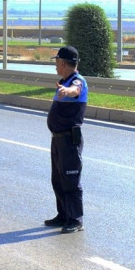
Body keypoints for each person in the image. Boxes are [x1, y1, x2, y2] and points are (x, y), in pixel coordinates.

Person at [44, 46, 88, 234]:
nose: (55, 67)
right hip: (58, 139)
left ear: (62, 63)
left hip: (69, 139)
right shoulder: (64, 81)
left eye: (56, 63)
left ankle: (75, 219)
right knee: (58, 179)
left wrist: (67, 91)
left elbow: (75, 90)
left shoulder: (76, 81)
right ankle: (63, 215)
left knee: (70, 179)